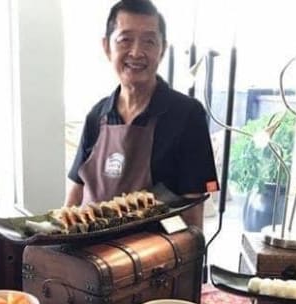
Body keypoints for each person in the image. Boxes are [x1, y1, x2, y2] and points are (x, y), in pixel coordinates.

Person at [65, 0, 218, 229]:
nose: (136, 52)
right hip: (88, 248)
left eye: (149, 41)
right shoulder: (97, 116)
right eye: (125, 40)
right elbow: (76, 193)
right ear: (107, 47)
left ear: (162, 49)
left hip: (153, 250)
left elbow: (193, 217)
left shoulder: (187, 115)